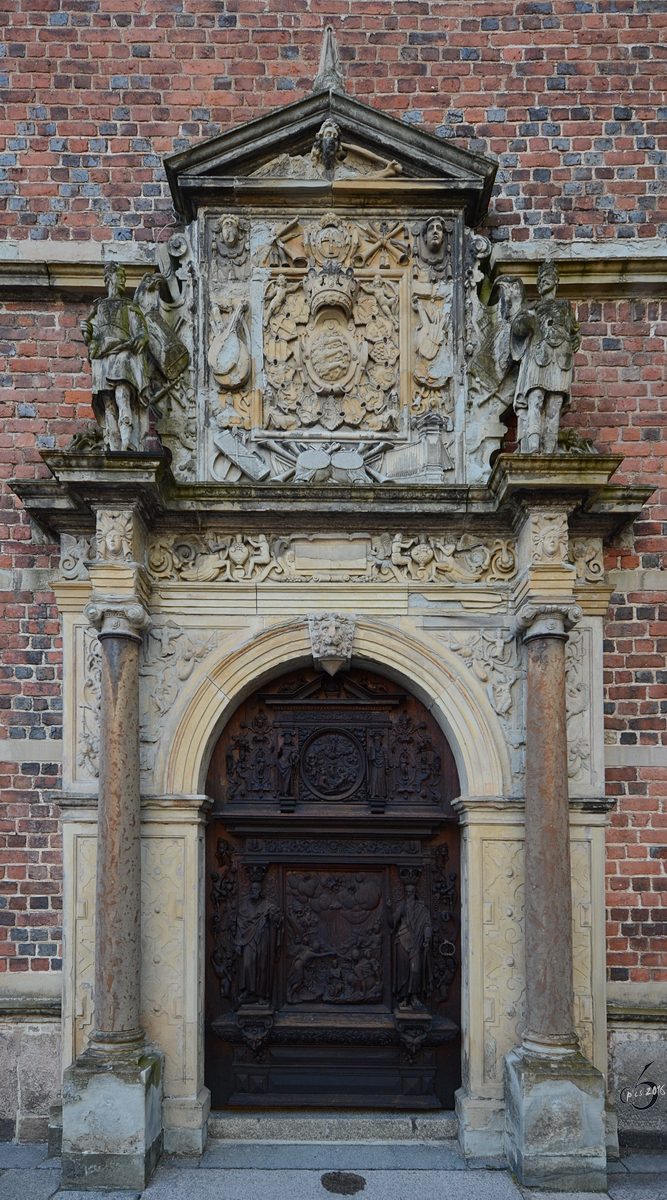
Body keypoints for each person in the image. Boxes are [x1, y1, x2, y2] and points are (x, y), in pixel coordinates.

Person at [510, 261, 581, 454]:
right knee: (536, 397)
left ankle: (550, 449)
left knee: (555, 402)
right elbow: (517, 328)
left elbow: (574, 331)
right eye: (540, 279)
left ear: (556, 280)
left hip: (561, 357)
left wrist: (576, 341)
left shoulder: (564, 306)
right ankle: (533, 447)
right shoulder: (532, 307)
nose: (542, 281)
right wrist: (527, 321)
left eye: (547, 277)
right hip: (538, 355)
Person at [80, 263, 151, 451]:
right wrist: (87, 334)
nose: (123, 281)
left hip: (124, 353)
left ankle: (128, 441)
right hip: (103, 357)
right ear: (109, 278)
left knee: (122, 394)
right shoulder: (99, 308)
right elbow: (91, 334)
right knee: (108, 401)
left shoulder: (128, 305)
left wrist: (141, 338)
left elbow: (141, 331)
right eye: (120, 277)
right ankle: (113, 443)